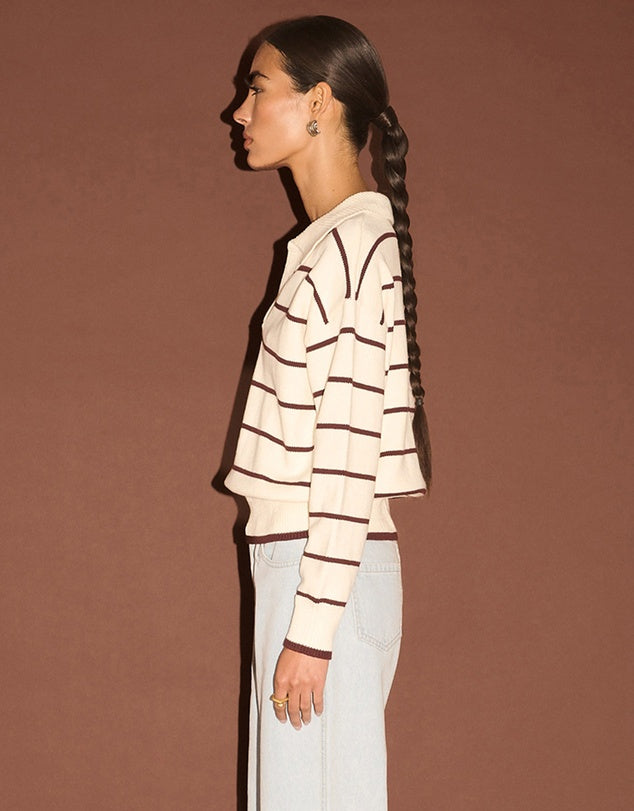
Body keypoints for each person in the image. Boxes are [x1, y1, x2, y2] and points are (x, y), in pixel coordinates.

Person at [224, 15, 431, 810]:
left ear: (318, 102)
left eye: (257, 89)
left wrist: (311, 629)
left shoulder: (350, 245)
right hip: (312, 568)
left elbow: (348, 447)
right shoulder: (327, 244)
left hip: (319, 572)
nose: (239, 111)